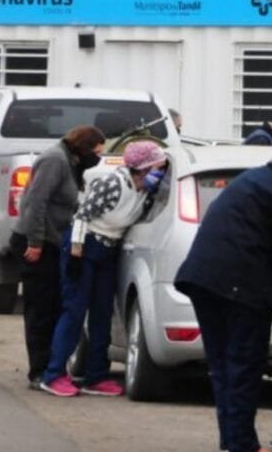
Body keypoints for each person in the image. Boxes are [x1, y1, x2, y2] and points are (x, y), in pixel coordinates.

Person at [175, 123, 272, 452]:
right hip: (240, 286)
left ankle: (233, 441)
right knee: (243, 367)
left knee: (223, 368)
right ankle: (242, 444)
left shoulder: (254, 179)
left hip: (204, 278)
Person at [40, 140, 168, 398]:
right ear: (141, 168)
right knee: (74, 311)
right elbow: (82, 216)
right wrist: (76, 252)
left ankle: (96, 375)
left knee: (102, 313)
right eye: (156, 167)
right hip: (84, 245)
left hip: (108, 250)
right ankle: (53, 374)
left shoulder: (146, 189)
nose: (159, 172)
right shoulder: (113, 184)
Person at [12, 125, 106, 387]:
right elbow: (36, 202)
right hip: (37, 243)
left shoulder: (72, 162)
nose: (98, 156)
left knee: (55, 305)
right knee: (40, 309)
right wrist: (35, 242)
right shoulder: (55, 160)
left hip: (55, 243)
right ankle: (39, 370)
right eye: (96, 151)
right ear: (83, 147)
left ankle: (54, 367)